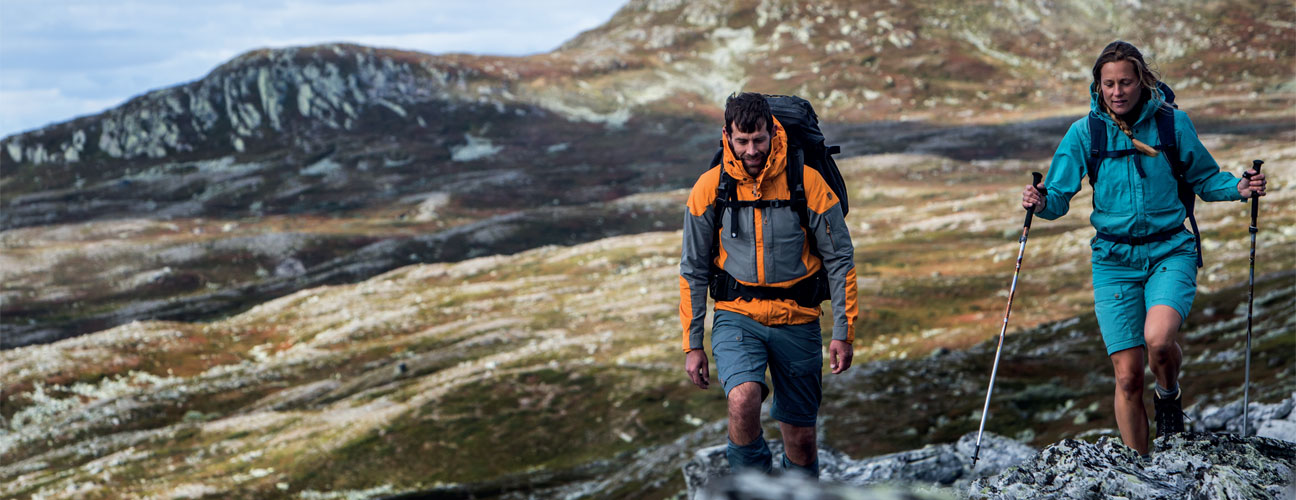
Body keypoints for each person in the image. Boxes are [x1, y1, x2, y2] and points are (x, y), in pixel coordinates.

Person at [1021, 41, 1267, 456]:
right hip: (1113, 261)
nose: (1117, 92)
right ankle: (1142, 471)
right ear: (1097, 87)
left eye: (1126, 83)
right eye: (1108, 84)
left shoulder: (1173, 124)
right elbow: (1059, 195)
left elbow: (1205, 179)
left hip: (1171, 250)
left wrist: (1239, 188)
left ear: (1143, 82)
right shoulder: (1086, 132)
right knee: (1128, 376)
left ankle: (1168, 395)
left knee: (1158, 340)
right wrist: (1041, 202)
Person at [678, 92, 859, 478]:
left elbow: (840, 259)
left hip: (799, 319)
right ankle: (754, 488)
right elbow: (693, 268)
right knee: (743, 400)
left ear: (772, 132)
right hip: (736, 316)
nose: (751, 150)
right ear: (726, 135)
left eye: (759, 139)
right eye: (742, 141)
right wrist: (693, 344)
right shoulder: (710, 188)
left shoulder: (807, 182)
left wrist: (843, 331)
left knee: (801, 437)